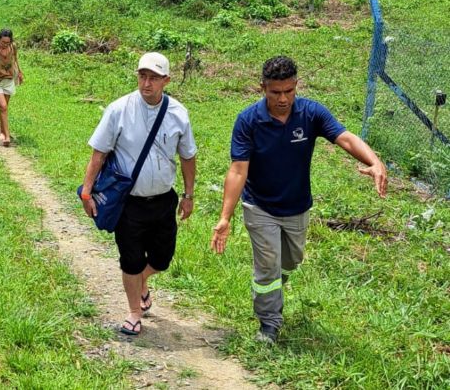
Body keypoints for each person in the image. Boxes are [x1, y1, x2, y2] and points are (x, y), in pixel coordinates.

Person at [210, 56, 387, 344]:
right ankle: (269, 324)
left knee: (290, 261)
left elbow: (345, 138)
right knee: (267, 266)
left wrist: (374, 161)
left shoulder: (310, 113)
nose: (282, 99)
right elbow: (238, 170)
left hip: (296, 206)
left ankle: (275, 286)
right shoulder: (248, 121)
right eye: (275, 92)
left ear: (296, 86)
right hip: (260, 206)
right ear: (262, 88)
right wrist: (225, 217)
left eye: (289, 91)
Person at [80, 52, 197, 337]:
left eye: (154, 78)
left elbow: (188, 156)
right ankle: (134, 311)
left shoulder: (178, 114)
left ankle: (141, 280)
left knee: (162, 258)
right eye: (142, 76)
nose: (147, 84)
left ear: (166, 81)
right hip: (128, 203)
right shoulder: (119, 109)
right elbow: (99, 152)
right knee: (130, 259)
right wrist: (86, 190)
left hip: (163, 200)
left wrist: (189, 194)